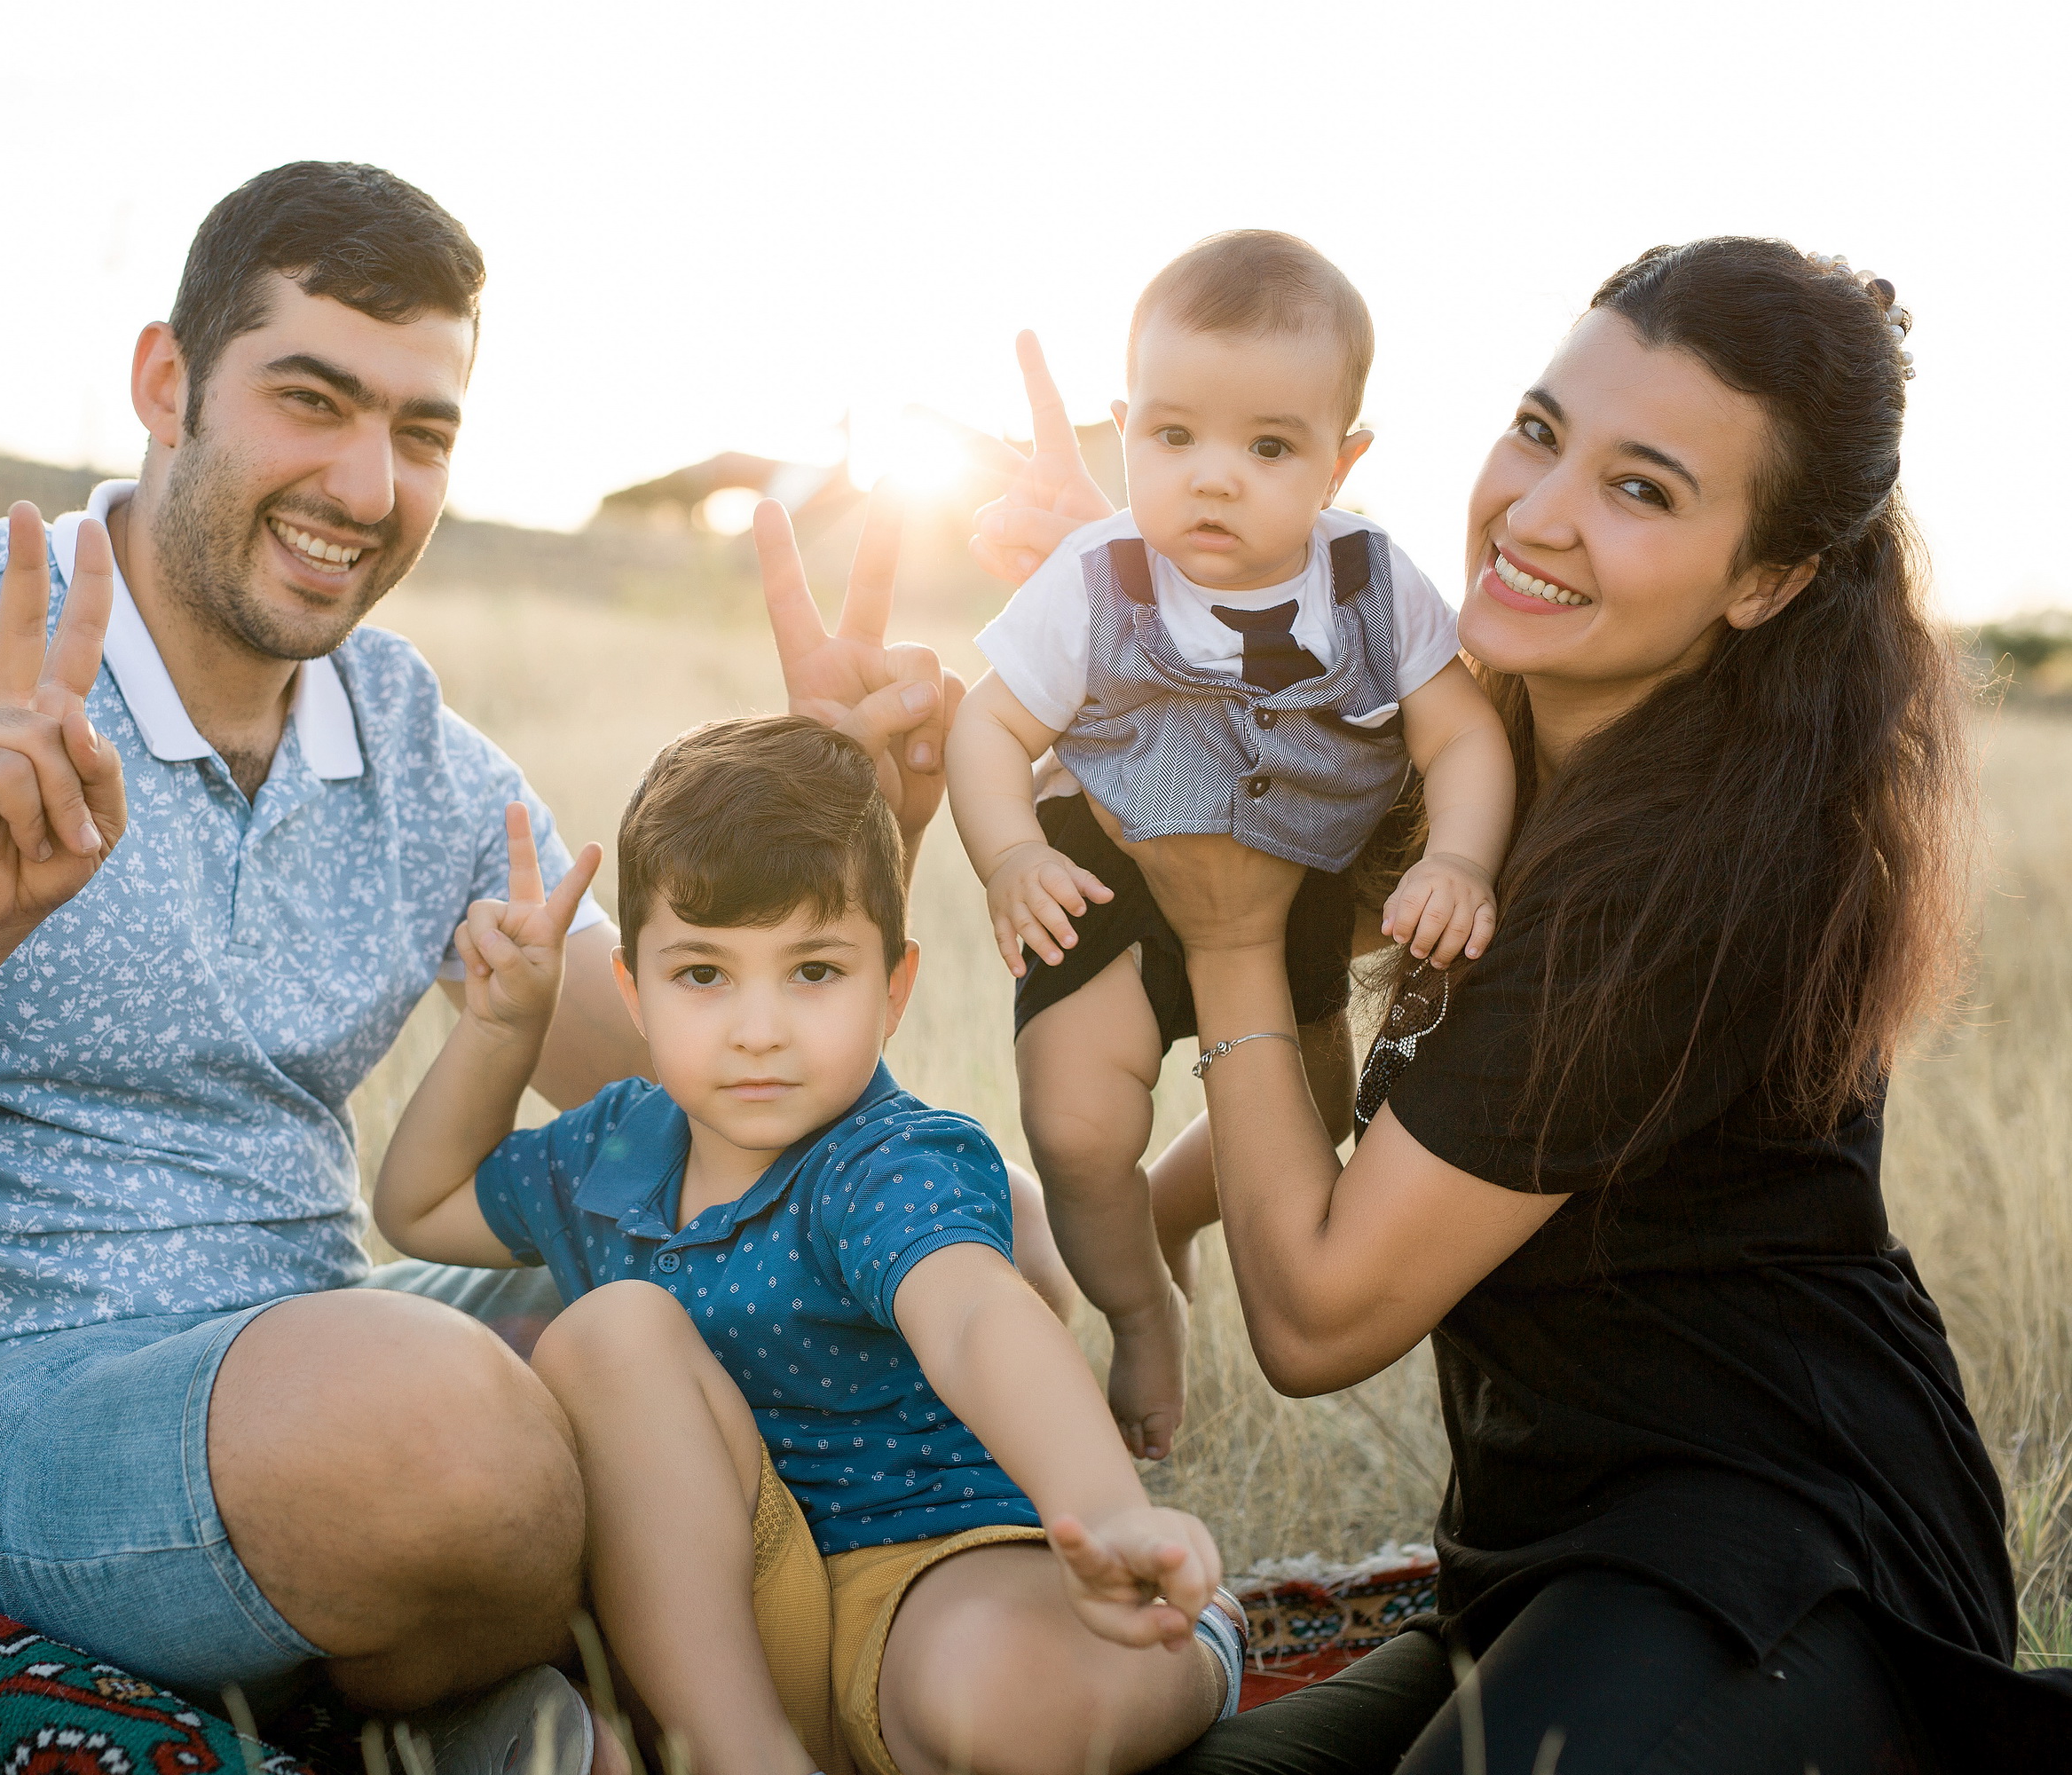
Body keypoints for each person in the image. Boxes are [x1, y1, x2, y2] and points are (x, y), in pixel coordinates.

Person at [0, 161, 962, 1748]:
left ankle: (569, 1679)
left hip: (300, 1346)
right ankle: (568, 1676)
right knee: (449, 1439)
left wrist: (846, 824)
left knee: (893, 1247)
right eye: (312, 400)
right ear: (165, 383)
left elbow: (718, 1094)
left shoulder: (411, 744)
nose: (368, 486)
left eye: (422, 432)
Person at [977, 237, 2072, 1770]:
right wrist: (1107, 604)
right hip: (1534, 1566)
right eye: (1541, 432)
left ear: (1765, 581)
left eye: (1642, 489)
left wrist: (1233, 945)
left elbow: (1318, 1313)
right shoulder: (1484, 752)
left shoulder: (1684, 883)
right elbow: (1395, 1083)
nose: (1538, 512)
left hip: (1782, 1564)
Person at [373, 715, 1242, 1775]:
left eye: (814, 970)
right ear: (634, 994)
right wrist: (501, 1028)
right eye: (704, 974)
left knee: (1009, 1701)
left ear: (894, 989)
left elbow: (976, 1316)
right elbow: (422, 1204)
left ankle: (1197, 1637)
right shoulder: (612, 1148)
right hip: (717, 1620)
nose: (759, 1028)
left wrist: (1107, 1511)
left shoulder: (885, 1159)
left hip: (930, 1572)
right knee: (610, 1332)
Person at [945, 233, 1515, 1462]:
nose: (1213, 478)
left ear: (1341, 462)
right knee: (1075, 1122)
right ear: (1125, 431)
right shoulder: (1095, 574)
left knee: (1317, 1118)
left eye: (1268, 448)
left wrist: (1460, 859)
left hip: (1294, 877)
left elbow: (1463, 733)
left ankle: (1170, 1211)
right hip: (1104, 868)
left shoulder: (1374, 579)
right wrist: (1008, 857)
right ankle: (1138, 1311)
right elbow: (987, 725)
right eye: (1173, 436)